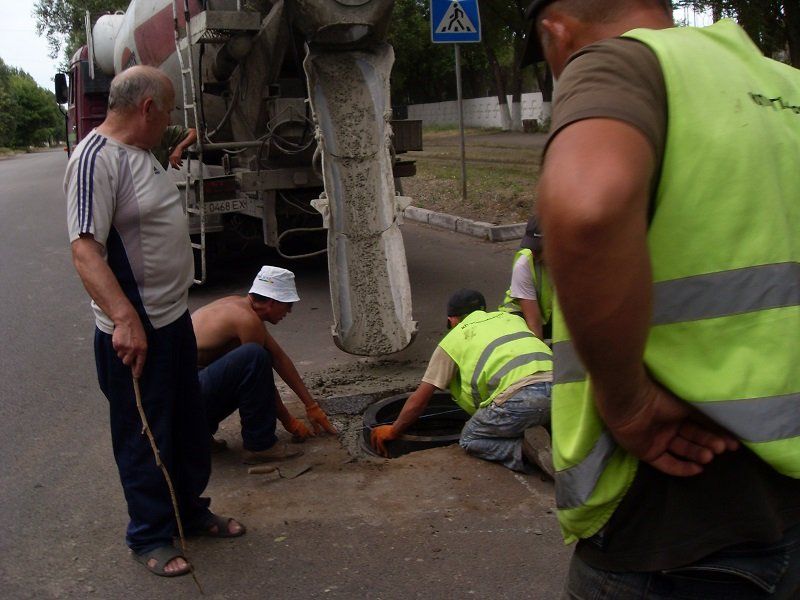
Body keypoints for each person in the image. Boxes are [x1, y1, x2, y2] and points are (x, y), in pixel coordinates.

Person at [524, 0, 800, 597]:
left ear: (555, 34)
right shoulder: (786, 86)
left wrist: (628, 405)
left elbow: (585, 207)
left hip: (674, 523)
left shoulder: (615, 65)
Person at [65, 65, 244, 579]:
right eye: (167, 111)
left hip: (172, 320)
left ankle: (189, 510)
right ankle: (149, 535)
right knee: (144, 434)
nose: (170, 120)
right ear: (146, 108)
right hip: (136, 330)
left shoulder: (140, 152)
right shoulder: (94, 159)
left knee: (186, 425)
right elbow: (84, 250)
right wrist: (124, 319)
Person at [370, 289, 555, 475]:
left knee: (469, 438)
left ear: (452, 320)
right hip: (560, 391)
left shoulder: (454, 338)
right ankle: (551, 439)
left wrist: (394, 430)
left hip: (521, 400)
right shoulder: (511, 319)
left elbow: (420, 400)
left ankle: (525, 450)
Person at [191, 265, 337, 464]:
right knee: (254, 358)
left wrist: (311, 405)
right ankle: (261, 445)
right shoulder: (246, 320)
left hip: (184, 394)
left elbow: (279, 358)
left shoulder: (241, 307)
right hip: (181, 400)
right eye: (287, 305)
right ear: (271, 302)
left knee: (250, 359)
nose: (290, 311)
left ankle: (197, 437)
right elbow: (261, 377)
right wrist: (289, 421)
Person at [498, 216, 553, 339]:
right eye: (532, 248)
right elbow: (533, 321)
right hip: (521, 316)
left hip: (549, 318)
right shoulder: (524, 265)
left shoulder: (573, 261)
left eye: (539, 249)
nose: (534, 253)